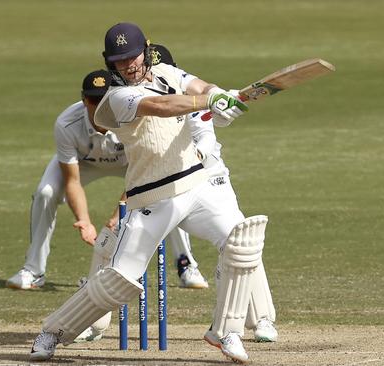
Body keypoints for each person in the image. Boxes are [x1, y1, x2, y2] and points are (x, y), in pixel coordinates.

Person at [29, 23, 271, 363]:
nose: (128, 64)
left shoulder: (165, 71)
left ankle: (226, 331)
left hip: (196, 184)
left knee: (241, 242)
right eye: (119, 60)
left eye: (132, 56)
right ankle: (52, 332)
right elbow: (163, 106)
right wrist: (208, 100)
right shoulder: (116, 98)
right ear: (110, 63)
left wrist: (219, 95)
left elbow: (196, 85)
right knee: (118, 283)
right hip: (151, 196)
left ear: (146, 50)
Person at [5, 69, 208, 291]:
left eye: (104, 99)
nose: (98, 106)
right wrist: (84, 221)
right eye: (93, 99)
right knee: (46, 192)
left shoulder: (132, 114)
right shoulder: (66, 123)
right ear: (84, 100)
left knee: (168, 186)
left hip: (134, 163)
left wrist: (116, 217)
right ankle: (33, 271)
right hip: (85, 162)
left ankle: (186, 266)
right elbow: (72, 180)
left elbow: (148, 171)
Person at [153, 44, 278, 343]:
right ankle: (88, 322)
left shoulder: (190, 97)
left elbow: (207, 136)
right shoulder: (143, 100)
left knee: (240, 238)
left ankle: (260, 319)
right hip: (164, 186)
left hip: (209, 179)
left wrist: (222, 105)